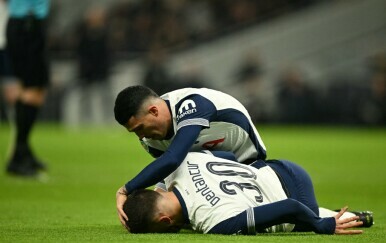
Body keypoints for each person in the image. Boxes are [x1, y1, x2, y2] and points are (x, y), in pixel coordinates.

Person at [114, 85, 267, 226]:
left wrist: (126, 189)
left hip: (250, 164)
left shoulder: (191, 104)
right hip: (213, 167)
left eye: (140, 128)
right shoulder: (150, 141)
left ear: (154, 111)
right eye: (134, 132)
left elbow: (173, 160)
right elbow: (172, 172)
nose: (141, 137)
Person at [122, 151, 373, 235]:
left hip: (297, 195)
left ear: (165, 221)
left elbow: (291, 208)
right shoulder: (179, 163)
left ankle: (331, 217)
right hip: (281, 166)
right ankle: (354, 215)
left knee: (291, 223)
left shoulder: (215, 223)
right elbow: (229, 157)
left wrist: (320, 225)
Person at [4, 0, 51, 177]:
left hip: (30, 25)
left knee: (37, 90)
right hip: (26, 26)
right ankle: (18, 155)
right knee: (30, 90)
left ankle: (22, 150)